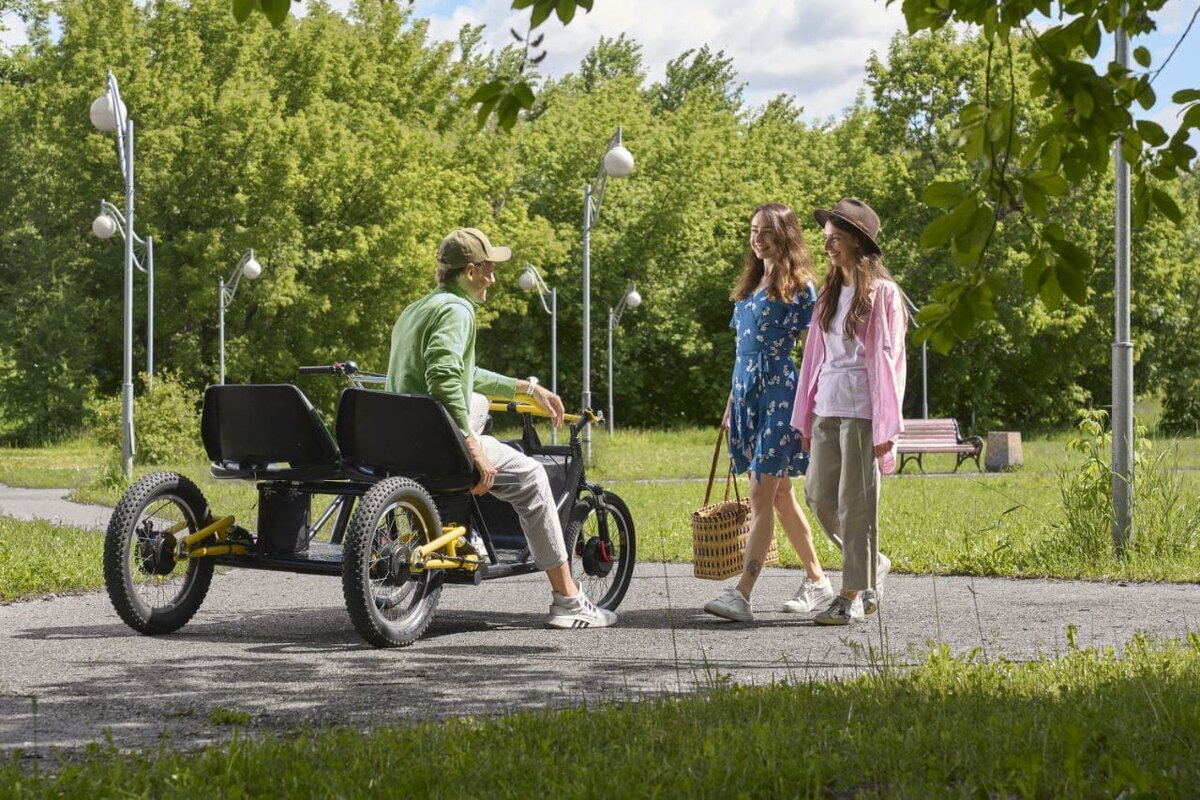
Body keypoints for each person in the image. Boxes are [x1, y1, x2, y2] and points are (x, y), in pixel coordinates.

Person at [385, 226, 617, 630]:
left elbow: (465, 373)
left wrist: (526, 388)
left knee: (475, 401)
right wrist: (473, 446)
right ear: (470, 271)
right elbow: (443, 376)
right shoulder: (458, 311)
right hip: (435, 444)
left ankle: (466, 528)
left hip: (400, 437)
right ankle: (568, 600)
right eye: (489, 269)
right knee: (533, 477)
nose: (493, 278)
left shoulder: (418, 308)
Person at [703, 203, 834, 623]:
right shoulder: (749, 285)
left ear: (785, 236)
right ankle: (817, 580)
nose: (757, 239)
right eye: (753, 231)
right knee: (779, 495)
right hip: (746, 396)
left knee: (761, 493)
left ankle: (742, 593)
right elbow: (741, 352)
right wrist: (731, 402)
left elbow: (815, 354)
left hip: (780, 394)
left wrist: (812, 407)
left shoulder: (801, 287)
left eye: (766, 232)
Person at [790, 198, 906, 626]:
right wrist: (805, 416)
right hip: (826, 405)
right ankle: (872, 563)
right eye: (826, 238)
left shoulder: (884, 294)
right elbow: (812, 359)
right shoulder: (827, 294)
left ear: (858, 242)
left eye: (835, 238)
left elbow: (892, 362)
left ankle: (850, 595)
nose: (827, 246)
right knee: (819, 497)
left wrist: (887, 426)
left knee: (856, 504)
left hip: (862, 410)